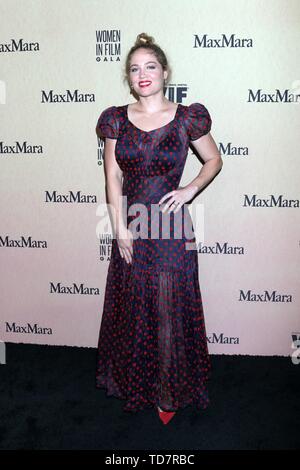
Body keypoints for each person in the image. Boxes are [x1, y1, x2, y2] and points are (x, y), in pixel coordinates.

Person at [95, 32, 223, 425]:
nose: (142, 73)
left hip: (170, 225)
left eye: (150, 65)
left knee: (169, 305)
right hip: (132, 222)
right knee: (133, 303)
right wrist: (119, 229)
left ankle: (168, 391)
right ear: (129, 79)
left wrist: (189, 190)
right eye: (134, 69)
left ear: (164, 72)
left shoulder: (188, 118)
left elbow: (214, 160)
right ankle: (139, 383)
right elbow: (112, 177)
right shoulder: (116, 119)